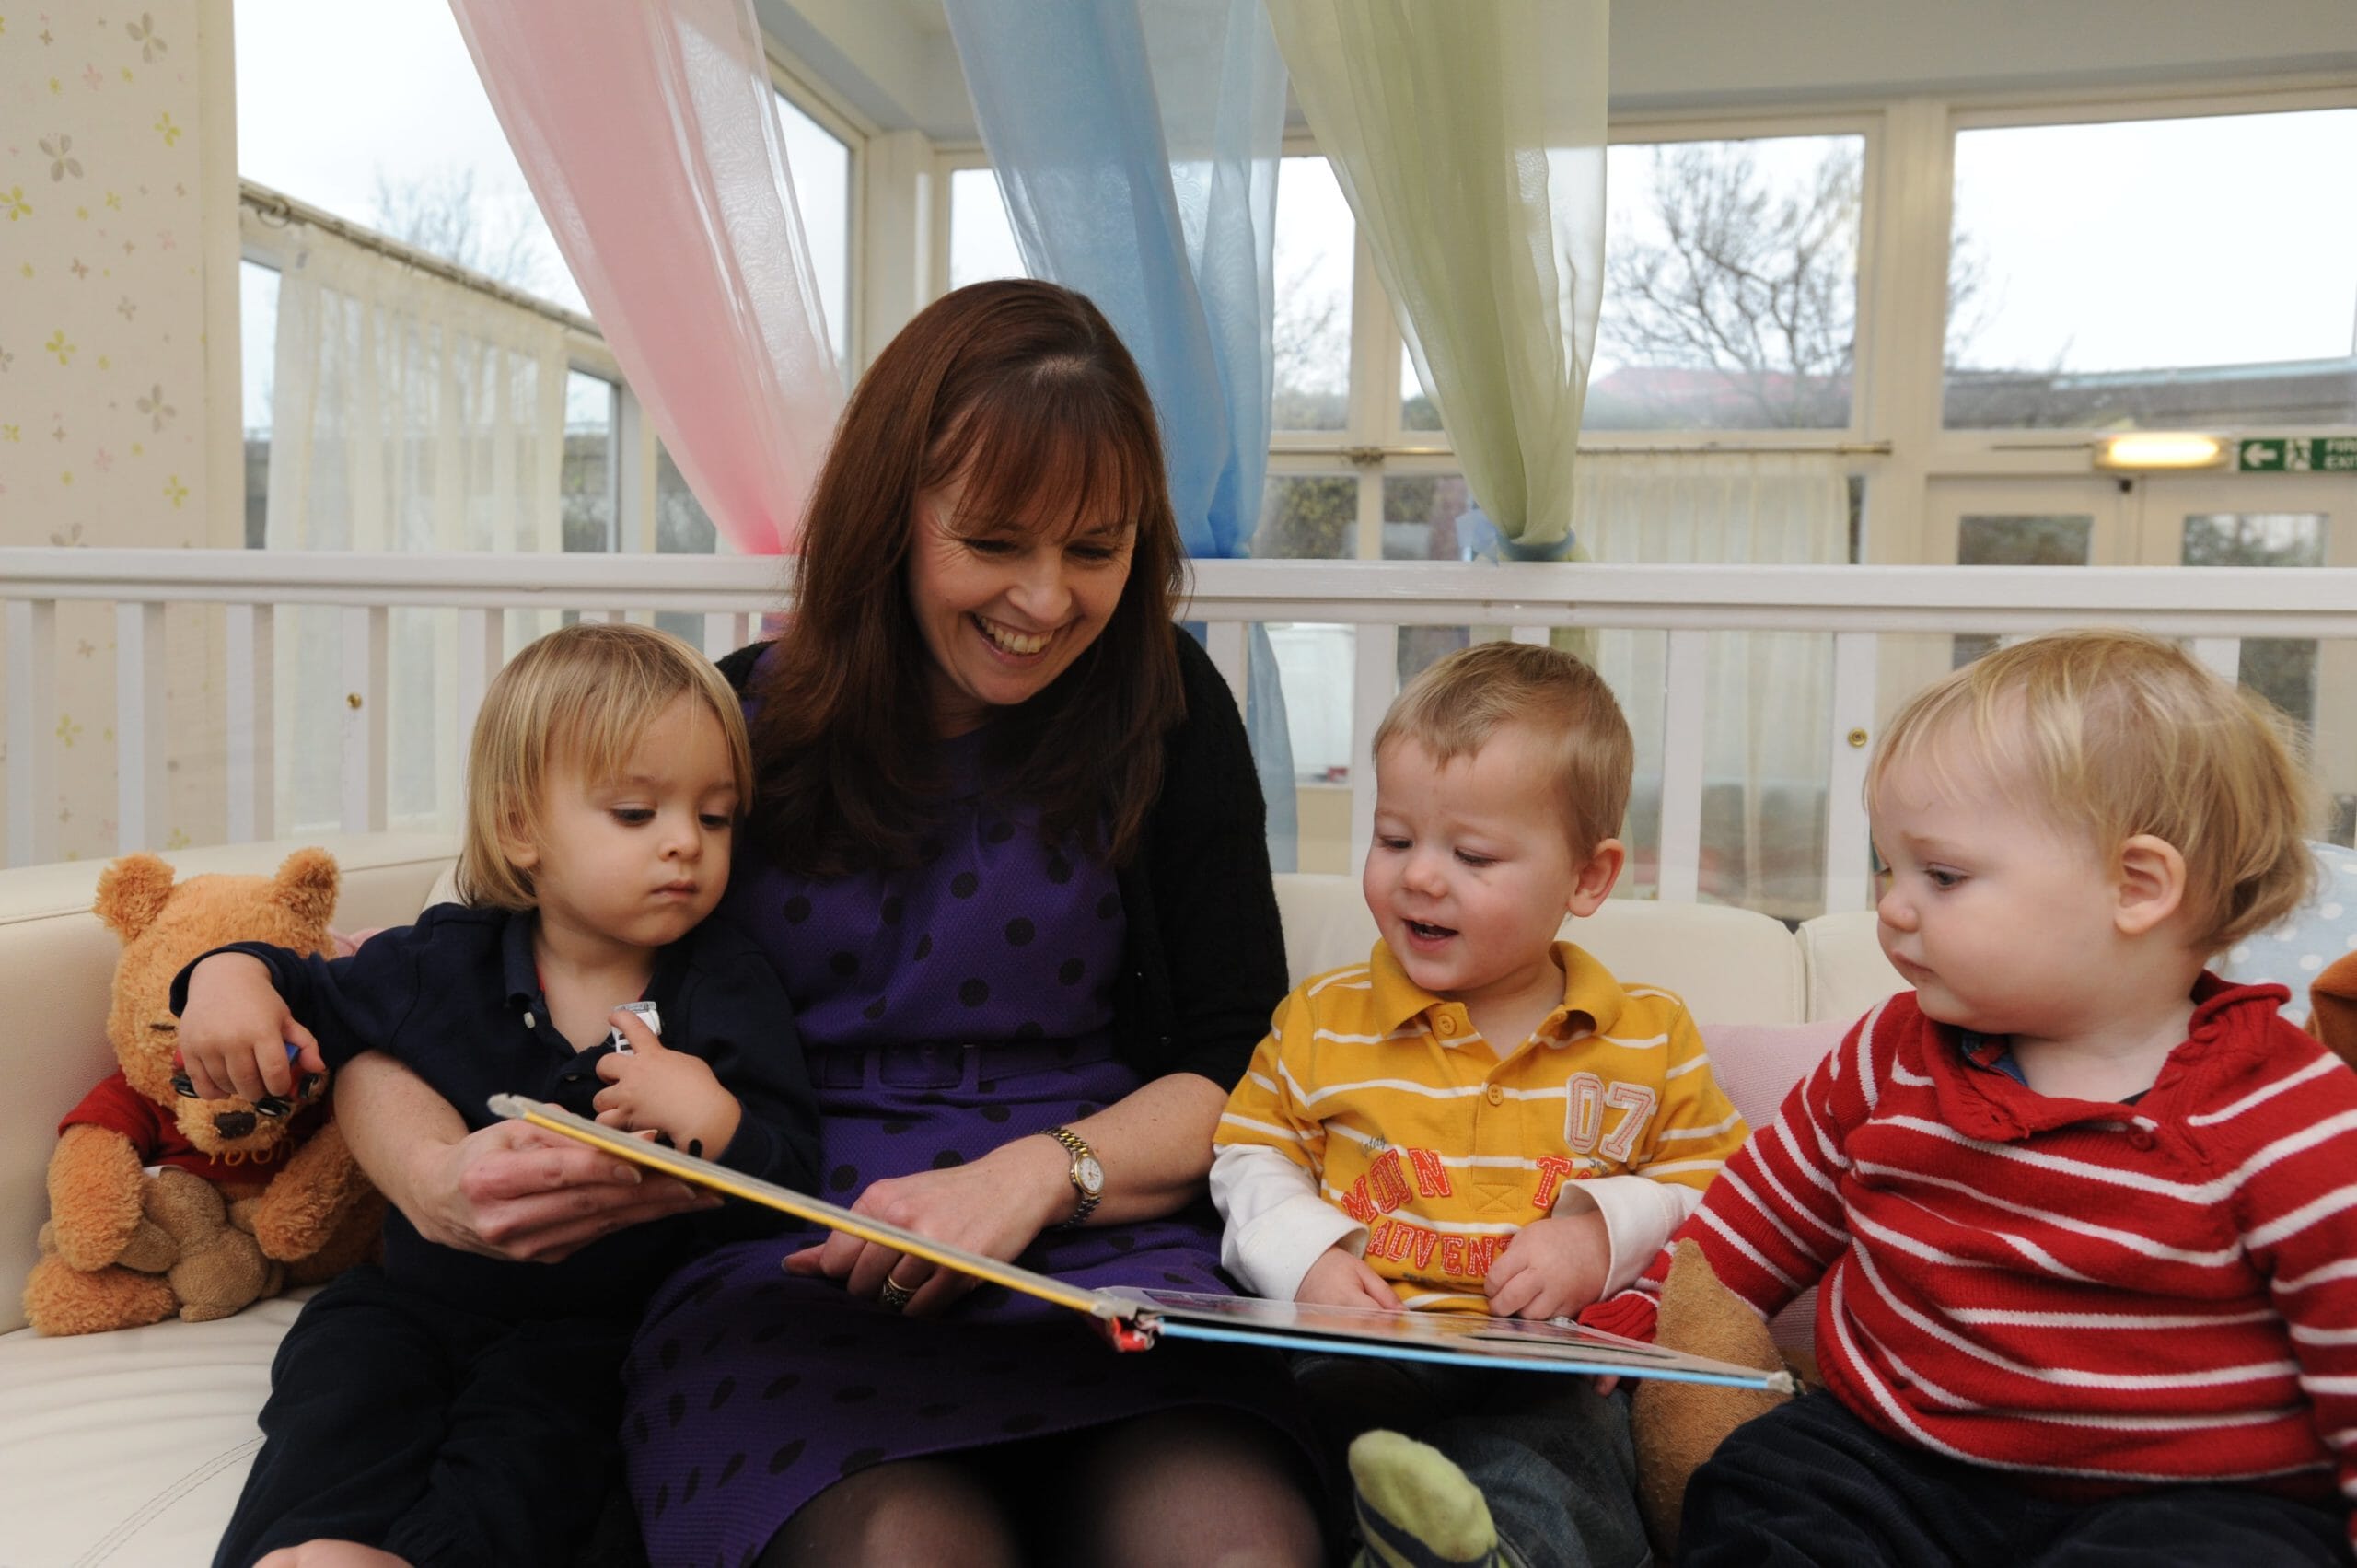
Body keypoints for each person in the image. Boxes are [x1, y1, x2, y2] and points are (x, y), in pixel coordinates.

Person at [325, 280, 1328, 1568]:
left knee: (1227, 1541)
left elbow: (1243, 1065)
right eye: (994, 540)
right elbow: (431, 1001)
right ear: (893, 515)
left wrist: (1029, 1178)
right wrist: (437, 1185)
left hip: (1098, 1244)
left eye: (1095, 548)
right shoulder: (736, 723)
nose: (1045, 598)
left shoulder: (1166, 705)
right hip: (786, 1259)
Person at [1585, 629, 2357, 1567]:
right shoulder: (1888, 1053)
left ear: (2136, 884)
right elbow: (1757, 1213)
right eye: (1889, 867)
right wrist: (1646, 1311)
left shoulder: (2290, 1119)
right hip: (1898, 1460)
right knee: (1762, 1483)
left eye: (1941, 875)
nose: (1894, 907)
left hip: (2179, 1498)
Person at [172, 622, 821, 1568]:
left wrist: (713, 1116)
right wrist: (225, 975)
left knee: (536, 1456)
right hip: (408, 1301)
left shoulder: (725, 985)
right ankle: (302, 1549)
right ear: (522, 828)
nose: (685, 842)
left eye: (715, 817)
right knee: (335, 1396)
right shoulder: (446, 956)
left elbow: (792, 1172)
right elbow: (304, 984)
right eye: (637, 813)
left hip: (593, 1332)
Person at [1213, 641, 1751, 1568]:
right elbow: (1248, 1153)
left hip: (1542, 1368)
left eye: (1470, 853)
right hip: (1356, 1344)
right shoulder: (1325, 1017)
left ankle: (1480, 1553)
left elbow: (1725, 1190)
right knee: (1272, 1441)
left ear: (1588, 876)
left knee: (1558, 1462)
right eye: (1394, 839)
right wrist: (1306, 1256)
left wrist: (1597, 1234)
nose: (1421, 876)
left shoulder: (1646, 1035)